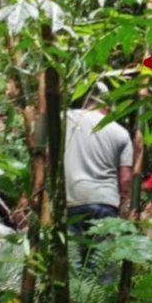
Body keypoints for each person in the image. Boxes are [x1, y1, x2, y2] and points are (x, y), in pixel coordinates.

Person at [65, 89, 133, 239]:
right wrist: (124, 209)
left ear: (87, 102)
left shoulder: (68, 118)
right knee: (101, 259)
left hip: (74, 199)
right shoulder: (120, 132)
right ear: (108, 107)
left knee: (74, 257)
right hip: (106, 202)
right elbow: (126, 180)